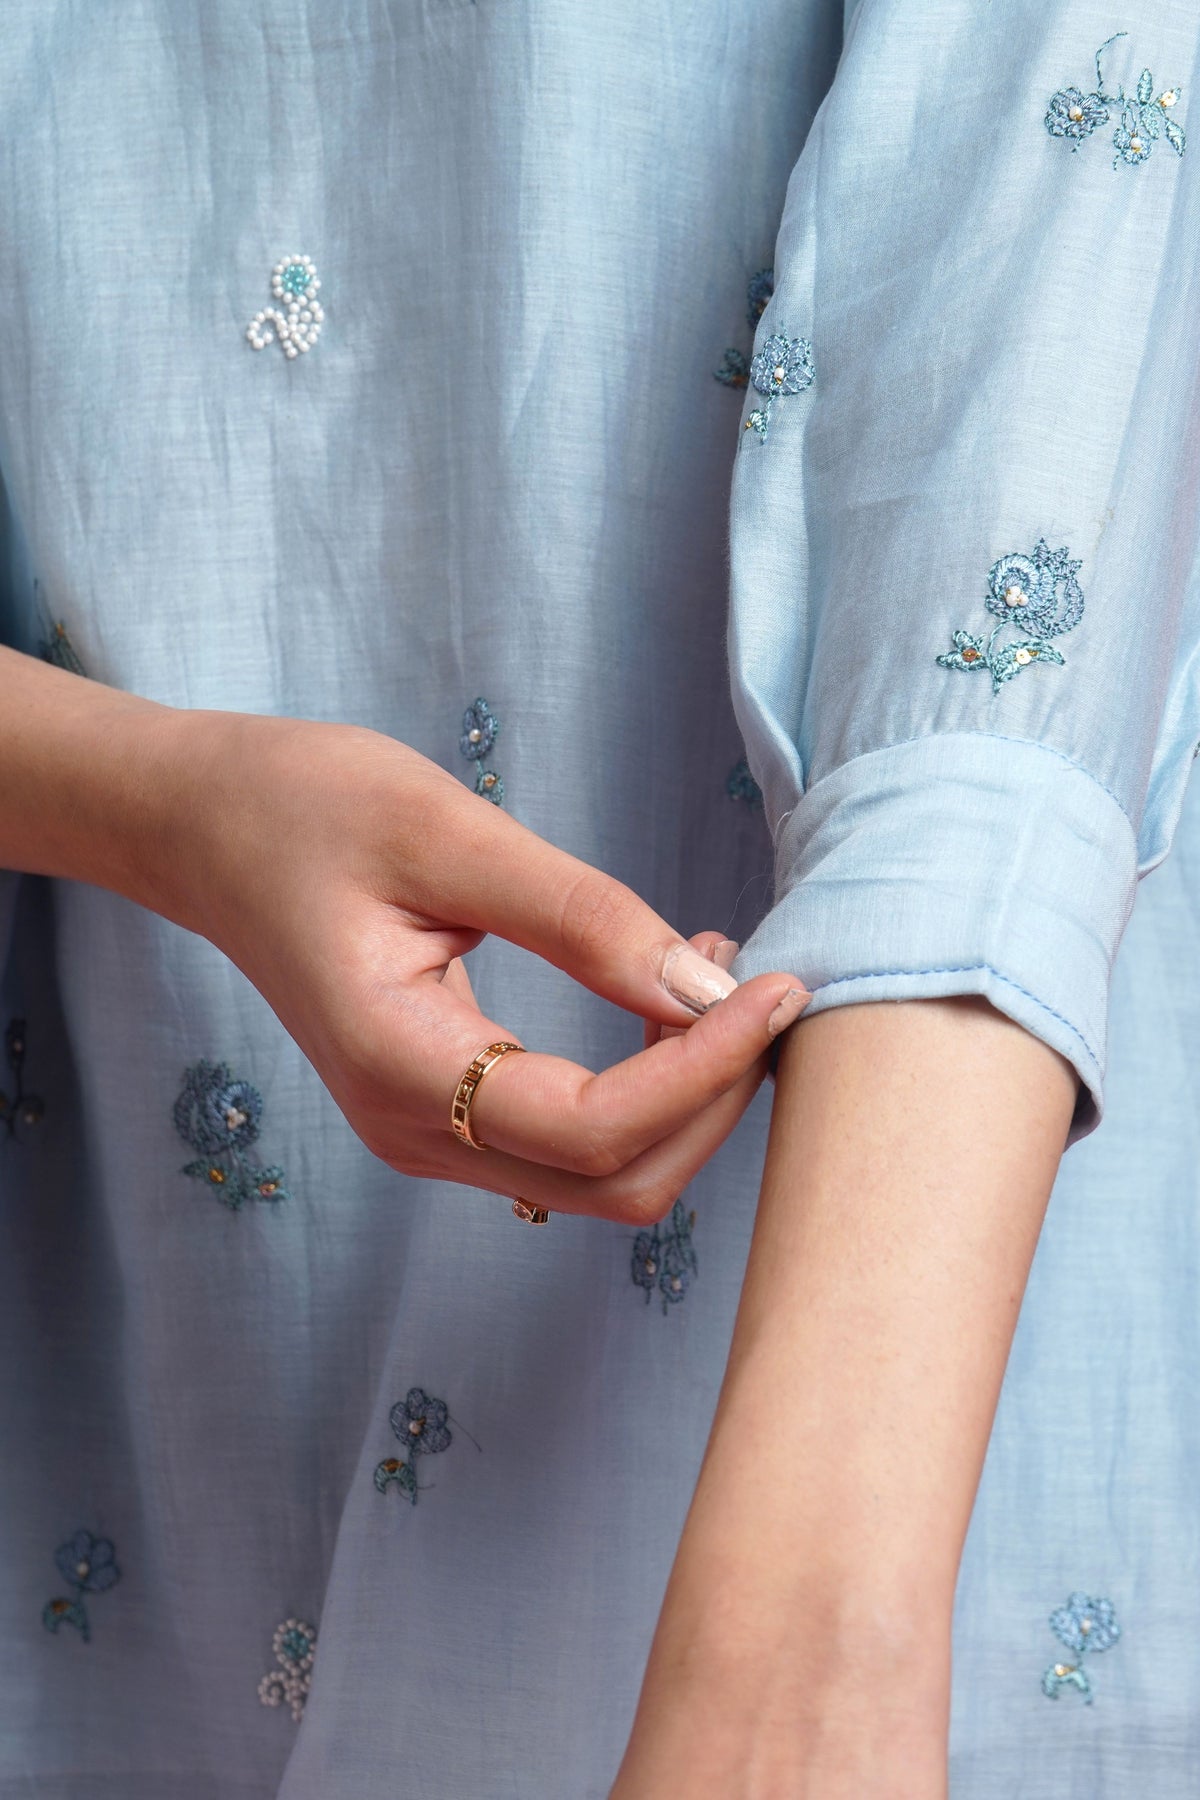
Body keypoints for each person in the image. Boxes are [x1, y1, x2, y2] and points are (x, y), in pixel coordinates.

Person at [1, 4, 1197, 1797]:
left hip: (882, 1360)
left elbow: (1058, 209)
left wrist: (808, 1651)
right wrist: (160, 800)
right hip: (117, 1385)